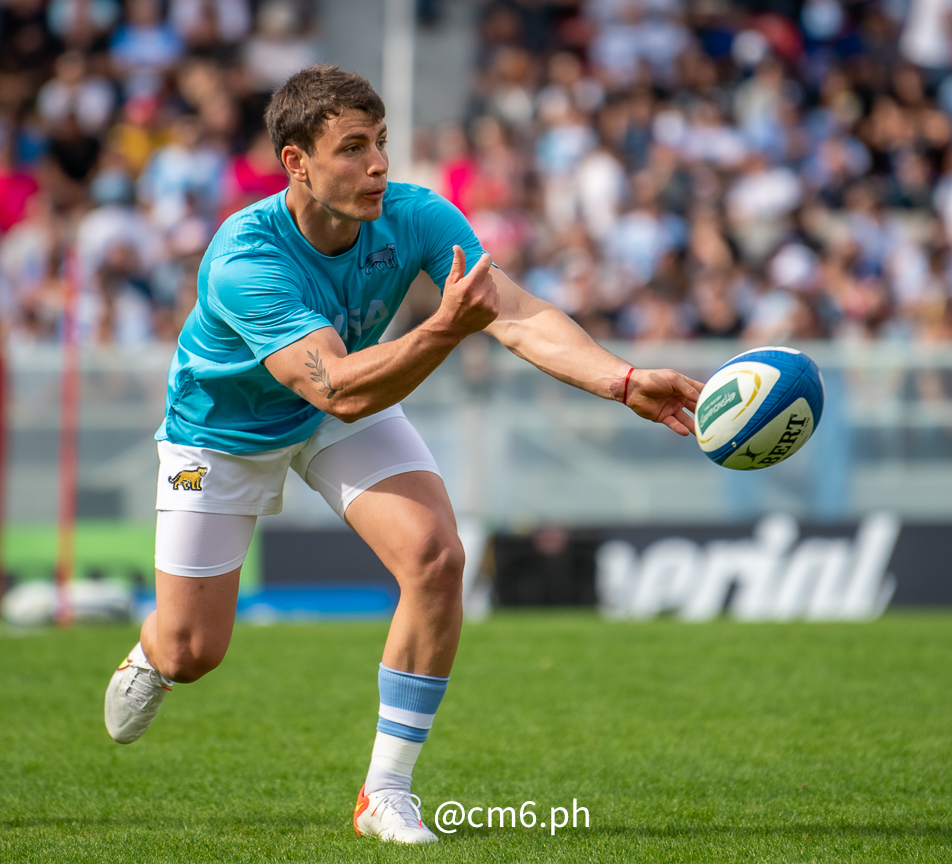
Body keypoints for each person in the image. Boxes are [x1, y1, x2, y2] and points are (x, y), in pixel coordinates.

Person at [102, 65, 703, 845]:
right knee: (193, 652)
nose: (379, 163)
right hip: (227, 432)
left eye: (380, 142)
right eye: (353, 148)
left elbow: (515, 314)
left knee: (435, 555)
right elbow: (341, 390)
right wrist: (446, 329)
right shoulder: (244, 256)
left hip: (341, 397)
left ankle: (385, 793)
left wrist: (621, 381)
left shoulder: (414, 214)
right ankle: (151, 650)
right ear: (297, 163)